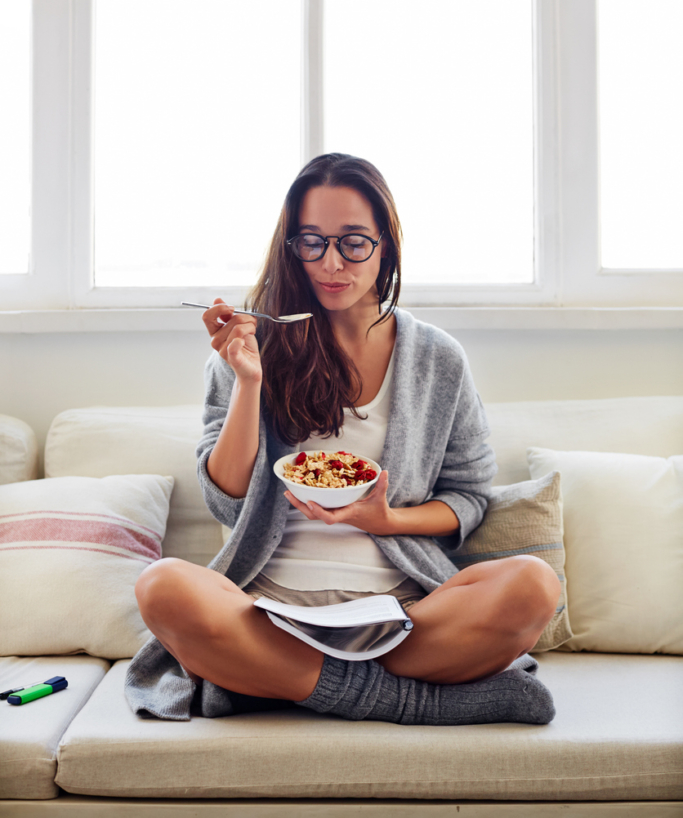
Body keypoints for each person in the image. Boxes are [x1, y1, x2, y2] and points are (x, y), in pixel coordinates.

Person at [125, 153, 560, 725]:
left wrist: (386, 521)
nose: (331, 263)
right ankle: (413, 703)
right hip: (268, 606)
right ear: (291, 247)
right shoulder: (250, 347)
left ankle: (280, 682)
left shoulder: (437, 359)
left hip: (402, 611)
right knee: (162, 587)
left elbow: (470, 499)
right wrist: (249, 382)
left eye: (353, 242)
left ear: (387, 244)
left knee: (534, 584)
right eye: (312, 242)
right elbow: (225, 499)